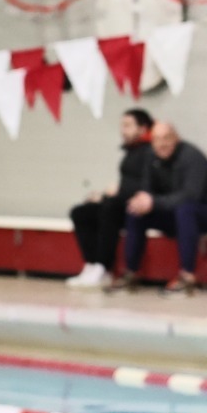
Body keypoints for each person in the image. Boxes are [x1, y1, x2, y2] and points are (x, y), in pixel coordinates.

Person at [110, 120, 207, 296]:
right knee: (135, 210)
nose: (161, 144)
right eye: (156, 139)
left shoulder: (192, 157)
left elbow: (190, 195)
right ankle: (130, 273)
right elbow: (147, 188)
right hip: (175, 213)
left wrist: (153, 202)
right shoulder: (151, 156)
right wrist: (142, 201)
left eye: (166, 138)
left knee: (185, 209)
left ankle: (187, 276)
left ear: (176, 138)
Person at [66, 108, 154, 289]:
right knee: (81, 212)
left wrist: (112, 194)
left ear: (143, 128)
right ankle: (91, 263)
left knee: (109, 207)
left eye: (128, 125)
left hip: (138, 206)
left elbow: (146, 185)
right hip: (122, 201)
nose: (123, 130)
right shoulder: (131, 151)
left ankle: (103, 266)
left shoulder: (150, 152)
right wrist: (103, 195)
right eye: (122, 125)